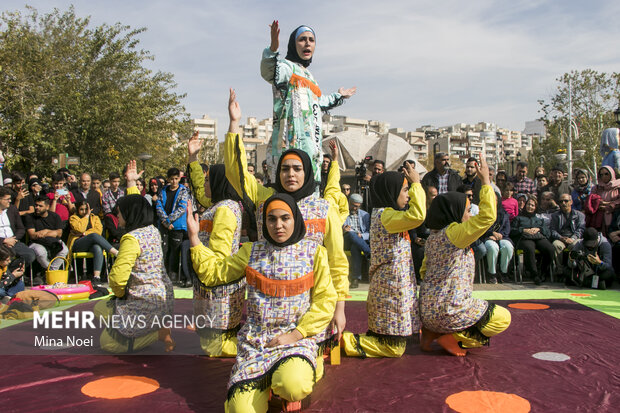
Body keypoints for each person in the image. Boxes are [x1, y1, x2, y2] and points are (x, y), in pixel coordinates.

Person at [222, 89, 348, 349]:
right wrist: (234, 125)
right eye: (285, 169)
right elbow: (236, 174)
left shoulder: (324, 208)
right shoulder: (265, 198)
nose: (291, 174)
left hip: (310, 313)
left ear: (307, 172)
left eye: (297, 168)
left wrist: (339, 308)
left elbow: (337, 262)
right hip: (269, 311)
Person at [189, 194, 336, 412]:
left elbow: (325, 300)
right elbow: (215, 274)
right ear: (264, 223)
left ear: (296, 219)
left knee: (294, 386)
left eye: (285, 218)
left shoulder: (315, 253)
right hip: (256, 342)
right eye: (272, 219)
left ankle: (292, 378)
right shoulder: (251, 251)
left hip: (294, 339)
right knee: (240, 410)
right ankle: (269, 384)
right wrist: (194, 237)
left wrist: (296, 334)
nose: (278, 225)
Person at [419, 153, 510, 356]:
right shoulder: (454, 233)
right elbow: (487, 218)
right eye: (467, 210)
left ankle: (431, 332)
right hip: (447, 311)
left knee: (470, 304)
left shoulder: (434, 237)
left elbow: (424, 272)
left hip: (428, 311)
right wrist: (486, 181)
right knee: (502, 317)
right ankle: (451, 338)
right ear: (454, 212)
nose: (470, 216)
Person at [342, 162, 425, 358]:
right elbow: (419, 215)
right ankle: (345, 341)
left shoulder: (390, 215)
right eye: (405, 190)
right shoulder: (386, 216)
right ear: (391, 191)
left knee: (396, 339)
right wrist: (417, 184)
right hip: (389, 290)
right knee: (393, 347)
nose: (409, 195)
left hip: (394, 288)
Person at [93, 160, 174, 354]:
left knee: (107, 341)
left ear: (129, 215)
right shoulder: (152, 230)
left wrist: (121, 297)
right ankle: (136, 328)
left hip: (144, 304)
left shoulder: (131, 238)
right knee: (102, 309)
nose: (117, 218)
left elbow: (117, 279)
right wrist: (131, 183)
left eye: (120, 213)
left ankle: (156, 334)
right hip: (164, 300)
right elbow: (137, 204)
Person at [261, 21, 356, 183]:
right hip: (288, 146)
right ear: (293, 43)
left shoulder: (310, 77)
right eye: (302, 39)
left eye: (311, 40)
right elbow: (269, 72)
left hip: (310, 149)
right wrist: (272, 50)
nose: (307, 43)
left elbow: (319, 102)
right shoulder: (287, 67)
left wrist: (339, 96)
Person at [186, 134, 246, 357]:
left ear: (221, 182)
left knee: (217, 346)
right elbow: (199, 192)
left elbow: (219, 256)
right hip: (211, 280)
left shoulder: (225, 210)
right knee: (211, 341)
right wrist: (193, 158)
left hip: (217, 283)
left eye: (209, 180)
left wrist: (195, 242)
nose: (205, 184)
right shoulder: (219, 204)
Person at [67, 200, 119, 284]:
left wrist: (84, 233)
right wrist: (87, 216)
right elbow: (80, 228)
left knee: (97, 247)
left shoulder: (95, 218)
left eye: (86, 209)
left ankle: (96, 277)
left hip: (90, 243)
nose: (84, 212)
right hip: (78, 244)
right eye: (81, 209)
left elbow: (98, 231)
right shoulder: (74, 218)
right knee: (93, 236)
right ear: (77, 210)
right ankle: (115, 252)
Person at [156, 167, 190, 285]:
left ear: (179, 178)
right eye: (172, 179)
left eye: (176, 179)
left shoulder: (183, 191)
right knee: (164, 249)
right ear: (168, 179)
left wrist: (169, 221)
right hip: (164, 225)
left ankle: (173, 274)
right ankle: (162, 274)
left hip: (178, 226)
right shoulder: (163, 190)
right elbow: (159, 205)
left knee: (175, 251)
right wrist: (165, 221)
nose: (174, 181)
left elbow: (182, 208)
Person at [511, 197, 554, 285]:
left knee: (550, 249)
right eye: (528, 204)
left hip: (538, 238)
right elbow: (512, 231)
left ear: (535, 207)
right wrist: (523, 230)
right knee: (529, 248)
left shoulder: (539, 220)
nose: (530, 207)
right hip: (525, 239)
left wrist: (539, 229)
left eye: (532, 205)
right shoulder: (518, 218)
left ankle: (542, 272)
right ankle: (534, 274)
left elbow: (548, 233)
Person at [25, 196, 69, 273]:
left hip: (53, 241)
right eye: (36, 205)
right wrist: (52, 233)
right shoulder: (30, 217)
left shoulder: (55, 216)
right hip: (36, 242)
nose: (37, 207)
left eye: (40, 206)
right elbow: (32, 235)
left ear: (47, 207)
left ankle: (51, 271)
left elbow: (59, 233)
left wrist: (45, 231)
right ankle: (52, 271)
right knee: (40, 252)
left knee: (64, 250)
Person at [478, 196, 513, 284]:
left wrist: (500, 235)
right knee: (492, 247)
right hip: (487, 236)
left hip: (502, 236)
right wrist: (492, 233)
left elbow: (507, 228)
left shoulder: (504, 213)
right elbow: (481, 228)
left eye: (495, 200)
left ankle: (503, 272)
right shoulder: (483, 213)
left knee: (508, 247)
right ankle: (492, 273)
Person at [550, 193, 585, 276]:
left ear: (571, 202)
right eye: (561, 201)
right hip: (561, 238)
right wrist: (560, 237)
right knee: (556, 245)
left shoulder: (579, 215)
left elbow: (581, 229)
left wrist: (572, 239)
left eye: (566, 201)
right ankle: (560, 270)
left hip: (574, 238)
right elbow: (552, 230)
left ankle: (573, 269)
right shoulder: (555, 215)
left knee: (577, 244)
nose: (563, 203)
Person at [0, 187, 36, 267]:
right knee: (8, 255)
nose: (10, 201)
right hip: (1, 243)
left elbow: (21, 228)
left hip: (13, 240)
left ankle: (12, 273)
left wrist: (13, 240)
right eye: (7, 199)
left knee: (30, 255)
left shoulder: (12, 209)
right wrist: (4, 240)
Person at [343, 193, 370, 289]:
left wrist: (361, 235)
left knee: (355, 247)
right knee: (351, 233)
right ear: (349, 203)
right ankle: (369, 252)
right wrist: (343, 230)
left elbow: (369, 232)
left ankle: (355, 279)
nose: (355, 208)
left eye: (357, 206)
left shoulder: (365, 215)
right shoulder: (343, 213)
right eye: (353, 205)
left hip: (359, 241)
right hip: (346, 239)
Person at [589, 166, 620, 234]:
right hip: (600, 218)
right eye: (601, 174)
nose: (604, 176)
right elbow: (592, 199)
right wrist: (599, 203)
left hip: (616, 216)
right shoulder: (597, 188)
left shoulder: (618, 186)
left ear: (611, 174)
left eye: (606, 174)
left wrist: (609, 205)